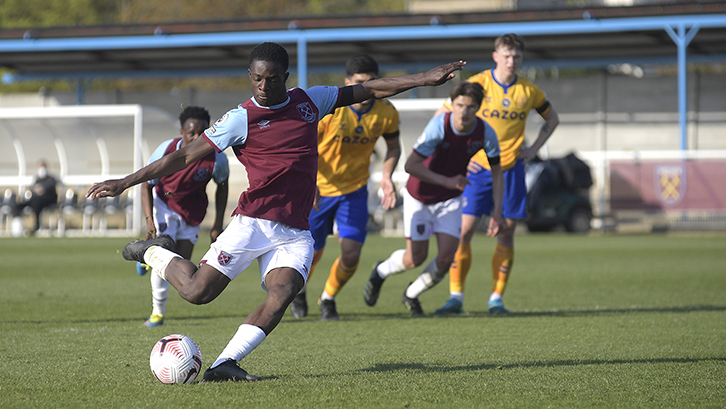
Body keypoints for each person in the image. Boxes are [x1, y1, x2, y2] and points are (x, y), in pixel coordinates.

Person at [87, 41, 465, 382]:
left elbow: (368, 89)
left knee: (283, 291)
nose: (263, 87)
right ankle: (152, 251)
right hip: (252, 223)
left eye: (270, 79)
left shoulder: (309, 101)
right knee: (198, 292)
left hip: (296, 231)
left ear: (284, 77)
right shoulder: (240, 118)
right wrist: (127, 181)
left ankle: (224, 364)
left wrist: (423, 78)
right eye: (256, 79)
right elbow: (184, 155)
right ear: (249, 77)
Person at [434, 33, 560, 315]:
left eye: (516, 56)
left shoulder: (529, 92)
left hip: (512, 170)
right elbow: (443, 115)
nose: (511, 61)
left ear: (521, 58)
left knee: (505, 233)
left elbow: (552, 120)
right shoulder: (477, 84)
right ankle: (456, 296)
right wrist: (454, 154)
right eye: (506, 55)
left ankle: (496, 299)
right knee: (463, 232)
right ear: (495, 56)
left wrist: (534, 149)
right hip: (476, 170)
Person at [362, 81, 504, 317]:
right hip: (420, 196)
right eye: (459, 105)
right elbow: (410, 165)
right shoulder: (440, 125)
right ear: (452, 104)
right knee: (414, 258)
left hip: (450, 199)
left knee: (446, 257)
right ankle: (381, 271)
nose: (464, 112)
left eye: (470, 107)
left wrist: (497, 211)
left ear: (478, 108)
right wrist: (447, 181)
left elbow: (498, 173)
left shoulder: (485, 132)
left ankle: (411, 294)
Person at [289, 54, 401, 320]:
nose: (366, 88)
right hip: (320, 190)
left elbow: (394, 146)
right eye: (361, 83)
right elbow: (304, 147)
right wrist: (310, 180)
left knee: (351, 254)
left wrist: (386, 177)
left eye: (372, 82)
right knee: (312, 253)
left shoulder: (386, 112)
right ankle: (299, 291)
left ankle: (328, 299)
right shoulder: (331, 111)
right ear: (348, 82)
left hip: (354, 191)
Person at [136, 105, 229, 327]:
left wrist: (217, 224)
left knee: (182, 265)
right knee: (165, 258)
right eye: (191, 133)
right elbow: (146, 185)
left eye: (202, 133)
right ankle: (157, 313)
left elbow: (222, 186)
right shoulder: (165, 151)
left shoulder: (216, 158)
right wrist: (150, 222)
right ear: (182, 133)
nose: (197, 138)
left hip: (192, 212)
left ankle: (146, 255)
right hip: (164, 206)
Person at [18, 160, 58, 233]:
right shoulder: (37, 179)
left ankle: (36, 225)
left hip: (47, 201)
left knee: (37, 202)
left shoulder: (50, 179)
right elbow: (33, 189)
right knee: (24, 203)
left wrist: (42, 189)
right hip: (36, 200)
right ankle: (18, 219)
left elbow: (50, 187)